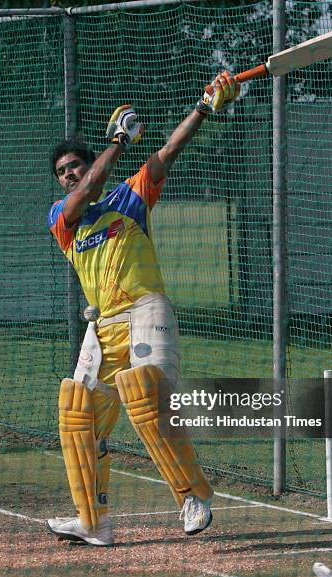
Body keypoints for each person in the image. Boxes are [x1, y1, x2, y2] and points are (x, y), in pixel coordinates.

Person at [46, 71, 241, 546]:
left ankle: (192, 496)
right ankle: (94, 521)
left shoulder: (128, 198)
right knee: (76, 411)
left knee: (145, 393)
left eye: (75, 165)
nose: (70, 173)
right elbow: (88, 189)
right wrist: (118, 140)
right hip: (103, 325)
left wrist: (204, 104)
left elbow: (167, 153)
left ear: (89, 164)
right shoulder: (62, 217)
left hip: (145, 310)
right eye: (63, 171)